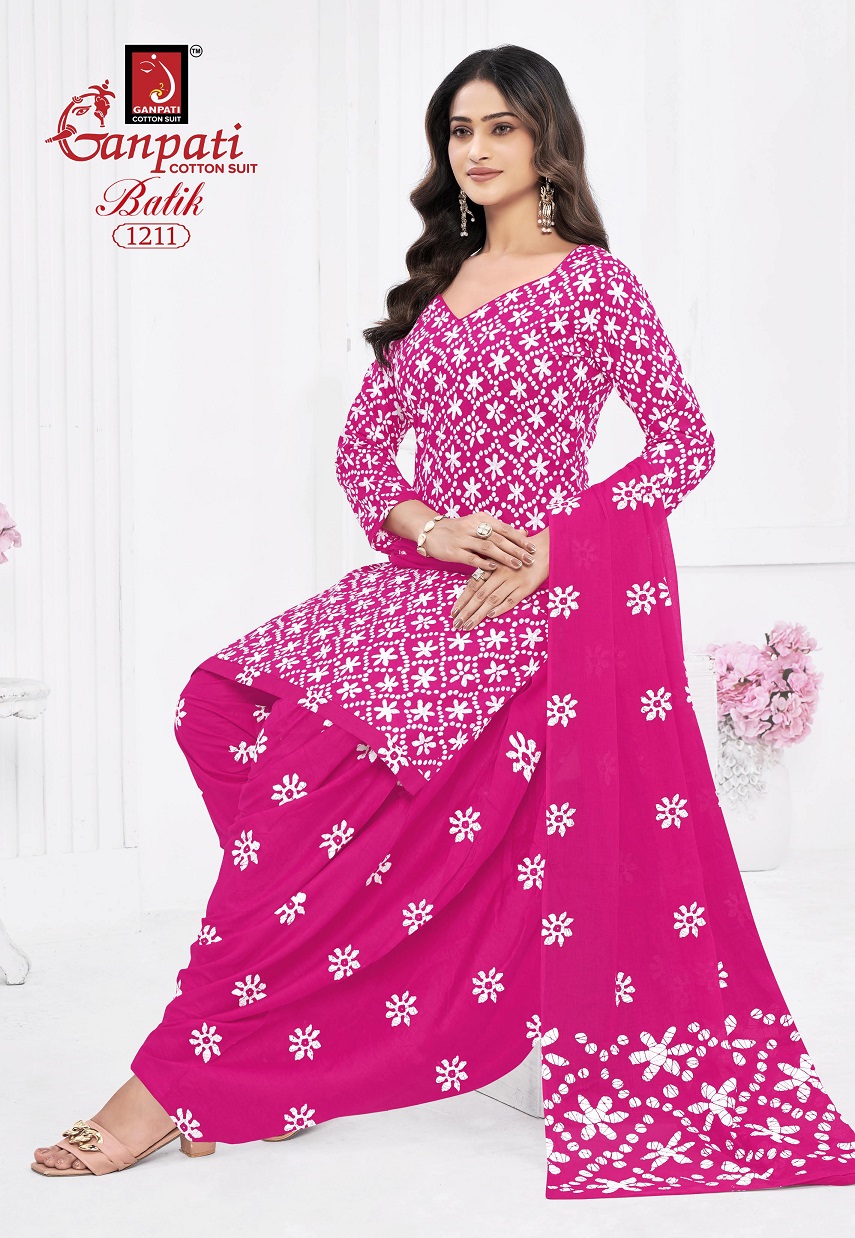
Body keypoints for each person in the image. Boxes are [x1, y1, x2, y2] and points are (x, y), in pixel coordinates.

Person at [31, 45, 855, 1199]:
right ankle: (276, 1041)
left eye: (501, 127)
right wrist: (433, 523)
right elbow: (365, 454)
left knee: (307, 812)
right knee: (215, 709)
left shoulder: (595, 285)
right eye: (460, 129)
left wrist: (559, 547)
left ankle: (174, 1083)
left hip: (525, 613)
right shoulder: (437, 290)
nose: (476, 148)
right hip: (422, 587)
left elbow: (683, 443)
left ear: (546, 142)